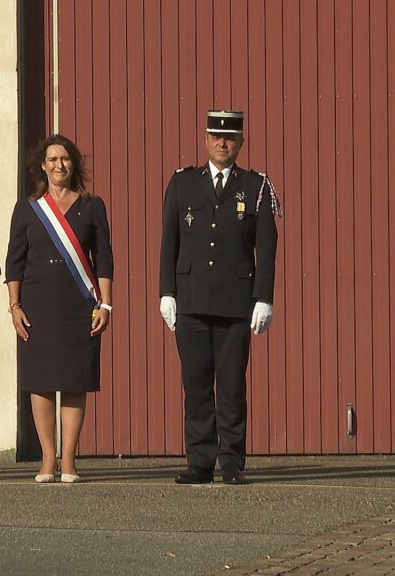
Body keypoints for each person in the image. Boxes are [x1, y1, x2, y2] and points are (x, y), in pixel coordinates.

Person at [158, 109, 281, 485]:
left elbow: (267, 246)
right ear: (206, 139)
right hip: (191, 301)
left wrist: (264, 297)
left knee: (230, 385)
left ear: (240, 142)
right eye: (215, 136)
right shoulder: (182, 184)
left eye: (229, 137)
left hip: (234, 303)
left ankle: (231, 461)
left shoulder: (255, 186)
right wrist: (167, 292)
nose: (222, 143)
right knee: (196, 384)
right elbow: (169, 243)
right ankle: (200, 461)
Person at [4, 134, 114, 484]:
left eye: (64, 159)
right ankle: (47, 460)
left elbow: (105, 260)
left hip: (79, 304)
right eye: (52, 159)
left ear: (74, 164)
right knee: (40, 382)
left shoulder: (92, 206)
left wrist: (105, 304)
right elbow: (14, 262)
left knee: (73, 381)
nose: (58, 165)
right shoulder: (27, 208)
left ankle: (69, 460)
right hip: (37, 304)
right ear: (42, 165)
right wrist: (14, 306)